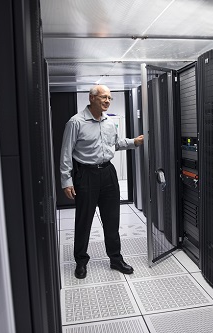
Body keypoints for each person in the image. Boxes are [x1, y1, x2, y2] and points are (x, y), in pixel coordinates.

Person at [60, 85, 144, 279]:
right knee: (84, 221)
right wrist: (67, 180)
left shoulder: (109, 123)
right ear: (91, 98)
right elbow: (65, 153)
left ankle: (116, 259)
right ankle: (81, 261)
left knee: (112, 220)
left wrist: (134, 142)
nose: (107, 101)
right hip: (86, 175)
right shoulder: (76, 122)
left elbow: (115, 144)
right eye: (103, 97)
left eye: (109, 98)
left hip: (108, 173)